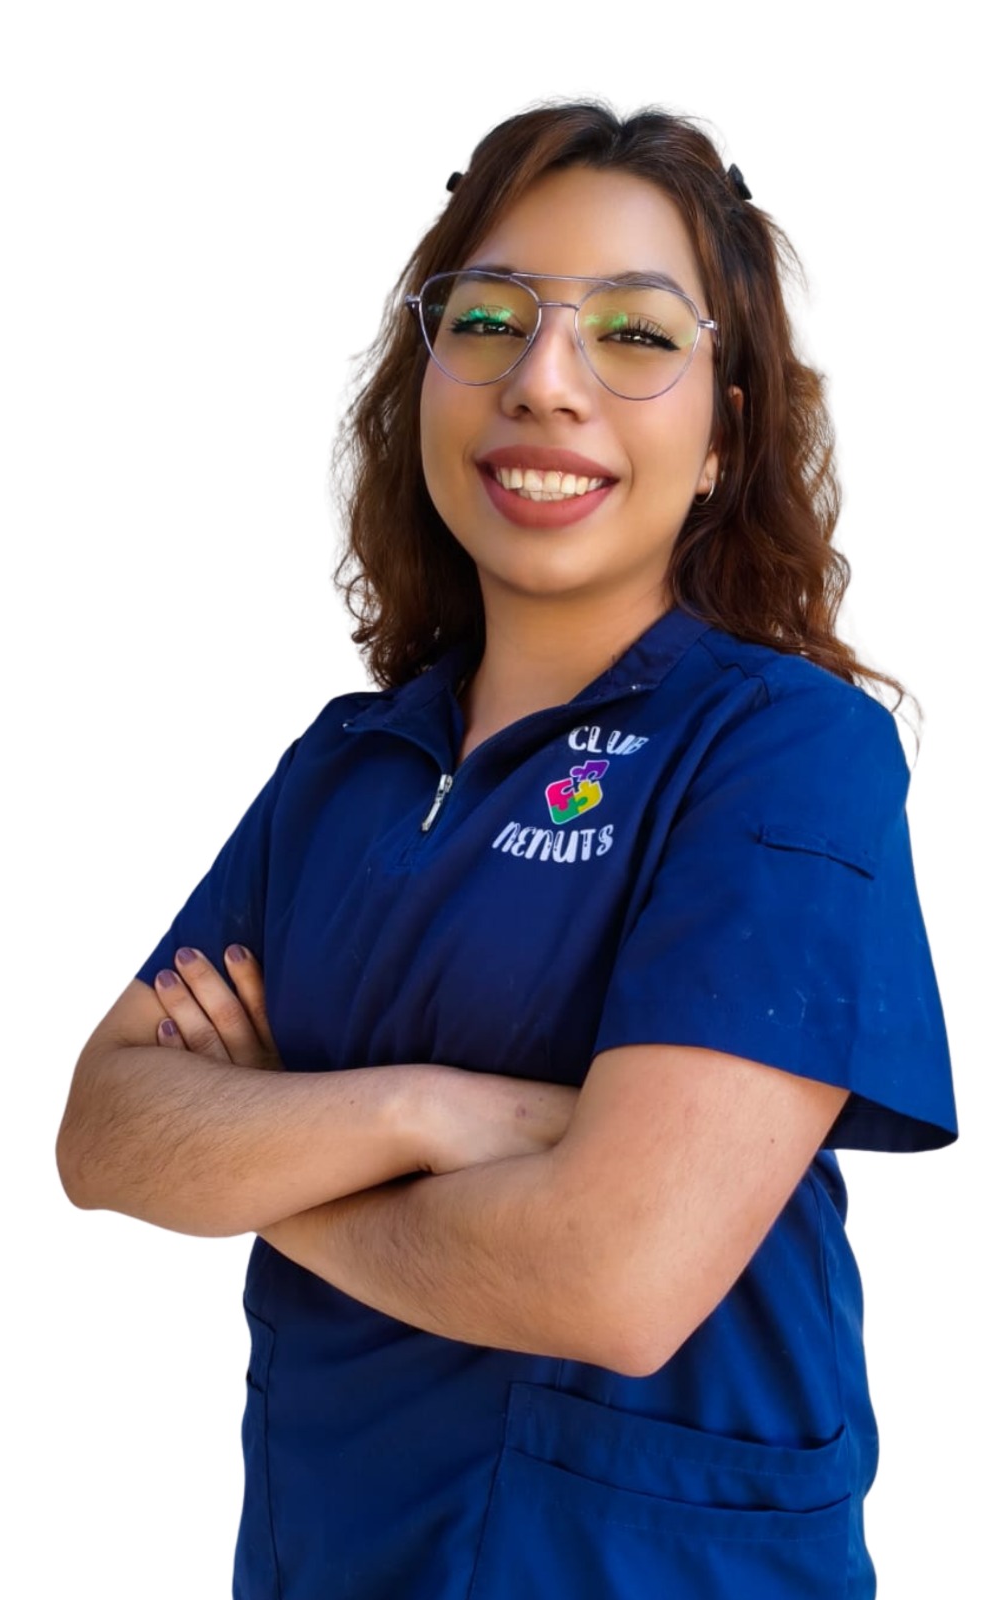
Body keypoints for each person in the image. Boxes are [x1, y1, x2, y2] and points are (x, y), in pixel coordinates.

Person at [56, 102, 956, 1599]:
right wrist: (433, 1111)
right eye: (487, 320)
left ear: (726, 437)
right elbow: (104, 1133)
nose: (543, 380)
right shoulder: (346, 768)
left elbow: (613, 1275)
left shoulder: (787, 750)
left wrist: (260, 1150)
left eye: (634, 335)